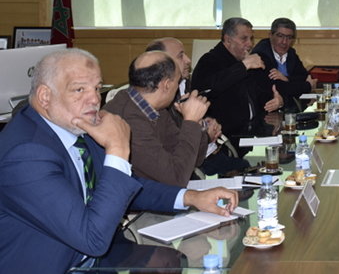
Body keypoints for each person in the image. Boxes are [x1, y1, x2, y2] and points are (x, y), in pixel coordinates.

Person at [0, 48, 237, 274]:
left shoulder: (72, 125)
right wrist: (118, 149)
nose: (94, 99)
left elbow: (125, 185)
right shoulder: (25, 154)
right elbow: (92, 239)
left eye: (97, 88)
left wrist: (191, 197)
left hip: (100, 257)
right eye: (79, 90)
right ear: (45, 96)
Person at [103, 50, 210, 187]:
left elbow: (194, 160)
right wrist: (191, 121)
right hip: (137, 197)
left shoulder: (155, 108)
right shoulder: (129, 120)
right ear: (167, 85)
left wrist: (197, 123)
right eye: (178, 82)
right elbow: (176, 178)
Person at [146, 37, 248, 176]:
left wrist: (207, 123)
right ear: (161, 64)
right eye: (180, 56)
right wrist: (206, 136)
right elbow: (173, 144)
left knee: (245, 168)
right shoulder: (159, 98)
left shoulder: (185, 83)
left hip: (205, 152)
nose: (188, 60)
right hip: (188, 164)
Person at [192, 17, 282, 144]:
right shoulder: (209, 60)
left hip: (252, 132)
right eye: (244, 39)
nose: (250, 44)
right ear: (228, 40)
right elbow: (209, 89)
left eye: (251, 38)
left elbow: (260, 95)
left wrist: (277, 101)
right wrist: (244, 66)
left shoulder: (245, 61)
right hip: (224, 137)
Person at [252, 17, 317, 112]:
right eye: (280, 36)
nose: (284, 42)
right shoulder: (261, 55)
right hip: (265, 110)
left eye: (289, 37)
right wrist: (307, 86)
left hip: (289, 107)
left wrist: (286, 78)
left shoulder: (291, 53)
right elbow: (277, 87)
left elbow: (304, 77)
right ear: (270, 35)